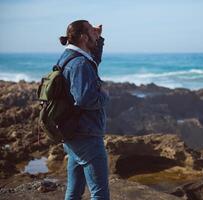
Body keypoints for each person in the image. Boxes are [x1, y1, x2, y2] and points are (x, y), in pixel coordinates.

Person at [58, 20, 110, 200]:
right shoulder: (79, 64)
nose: (94, 33)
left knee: (74, 191)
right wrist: (104, 94)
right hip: (86, 135)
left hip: (73, 133)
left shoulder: (69, 57)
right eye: (90, 31)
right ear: (82, 37)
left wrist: (98, 38)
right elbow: (84, 98)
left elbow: (93, 60)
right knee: (100, 193)